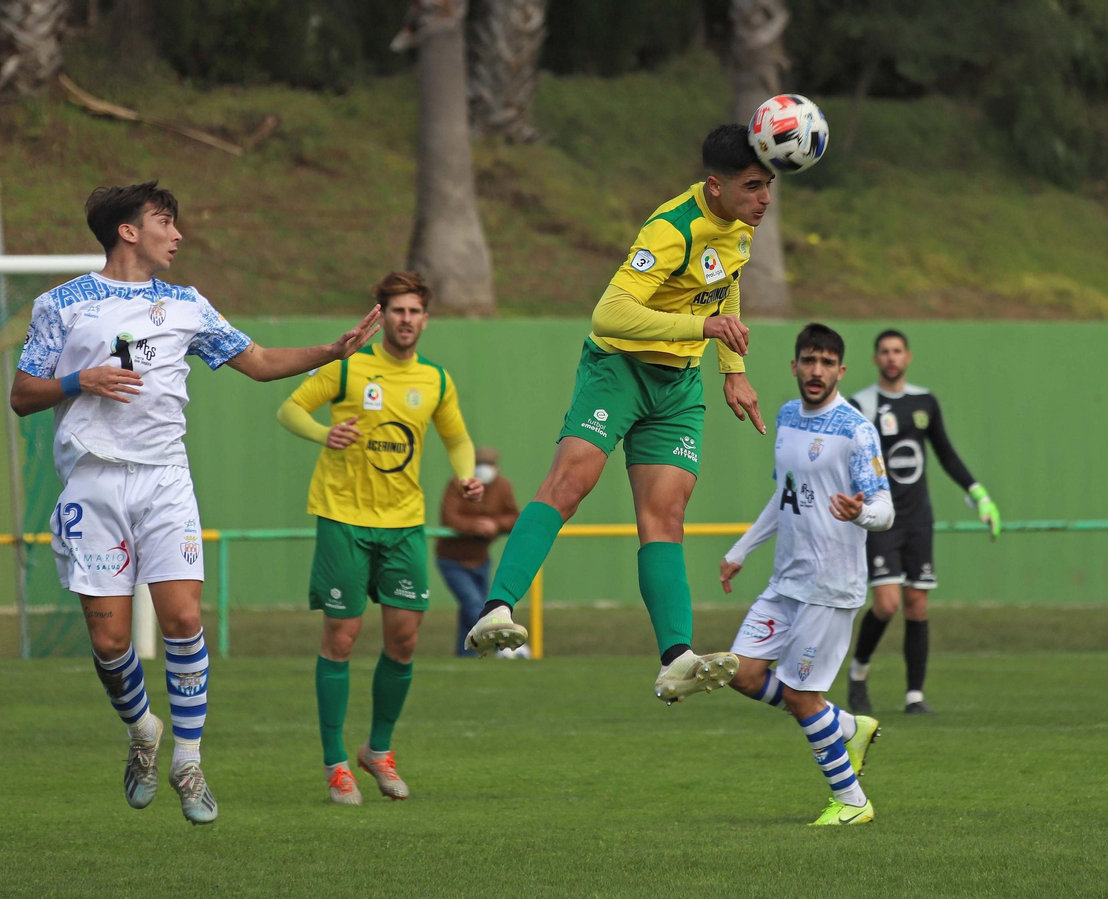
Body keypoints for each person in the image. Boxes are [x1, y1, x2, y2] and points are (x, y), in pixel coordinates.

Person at [10, 182, 381, 825]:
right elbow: (22, 393)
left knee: (182, 617)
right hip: (92, 483)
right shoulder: (62, 304)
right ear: (129, 230)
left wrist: (330, 351)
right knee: (108, 637)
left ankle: (189, 759)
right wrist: (80, 380)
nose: (177, 235)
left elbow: (259, 361)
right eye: (165, 222)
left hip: (164, 480)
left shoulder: (187, 306)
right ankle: (142, 732)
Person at [464, 124, 770, 705]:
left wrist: (732, 368)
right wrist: (702, 329)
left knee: (667, 517)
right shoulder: (671, 228)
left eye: (769, 185)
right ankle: (495, 606)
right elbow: (609, 314)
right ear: (715, 185)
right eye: (753, 186)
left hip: (678, 385)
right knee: (571, 482)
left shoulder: (741, 229)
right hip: (620, 370)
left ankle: (676, 657)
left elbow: (725, 287)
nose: (765, 199)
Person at [276, 270, 483, 805]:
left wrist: (466, 474)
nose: (406, 319)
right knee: (341, 640)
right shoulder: (349, 369)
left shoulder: (435, 380)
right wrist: (326, 433)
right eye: (397, 310)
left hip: (403, 525)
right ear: (381, 315)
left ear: (425, 319)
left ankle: (378, 750)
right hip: (343, 518)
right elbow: (290, 408)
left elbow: (457, 438)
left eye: (414, 311)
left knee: (405, 641)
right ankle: (335, 763)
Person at [719, 323, 892, 825]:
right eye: (808, 360)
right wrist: (741, 550)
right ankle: (844, 726)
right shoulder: (788, 417)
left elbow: (884, 508)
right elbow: (784, 496)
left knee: (799, 695)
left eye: (826, 363)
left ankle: (853, 802)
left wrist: (860, 512)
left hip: (831, 586)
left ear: (840, 370)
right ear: (794, 365)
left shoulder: (856, 430)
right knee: (743, 673)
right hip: (786, 581)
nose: (816, 371)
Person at [845, 329, 1001, 715]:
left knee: (917, 604)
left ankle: (914, 695)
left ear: (908, 356)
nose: (891, 357)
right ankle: (859, 671)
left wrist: (978, 494)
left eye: (897, 351)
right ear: (875, 358)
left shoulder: (924, 402)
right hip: (881, 519)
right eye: (884, 351)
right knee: (886, 604)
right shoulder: (861, 405)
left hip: (918, 519)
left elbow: (945, 452)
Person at [436, 446, 519, 657]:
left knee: (470, 612)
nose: (483, 469)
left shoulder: (503, 486)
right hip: (452, 559)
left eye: (488, 465)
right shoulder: (457, 485)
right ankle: (503, 646)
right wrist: (477, 526)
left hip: (481, 559)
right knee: (474, 605)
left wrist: (495, 524)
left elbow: (513, 517)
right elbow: (450, 518)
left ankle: (465, 657)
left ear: (496, 467)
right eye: (479, 465)